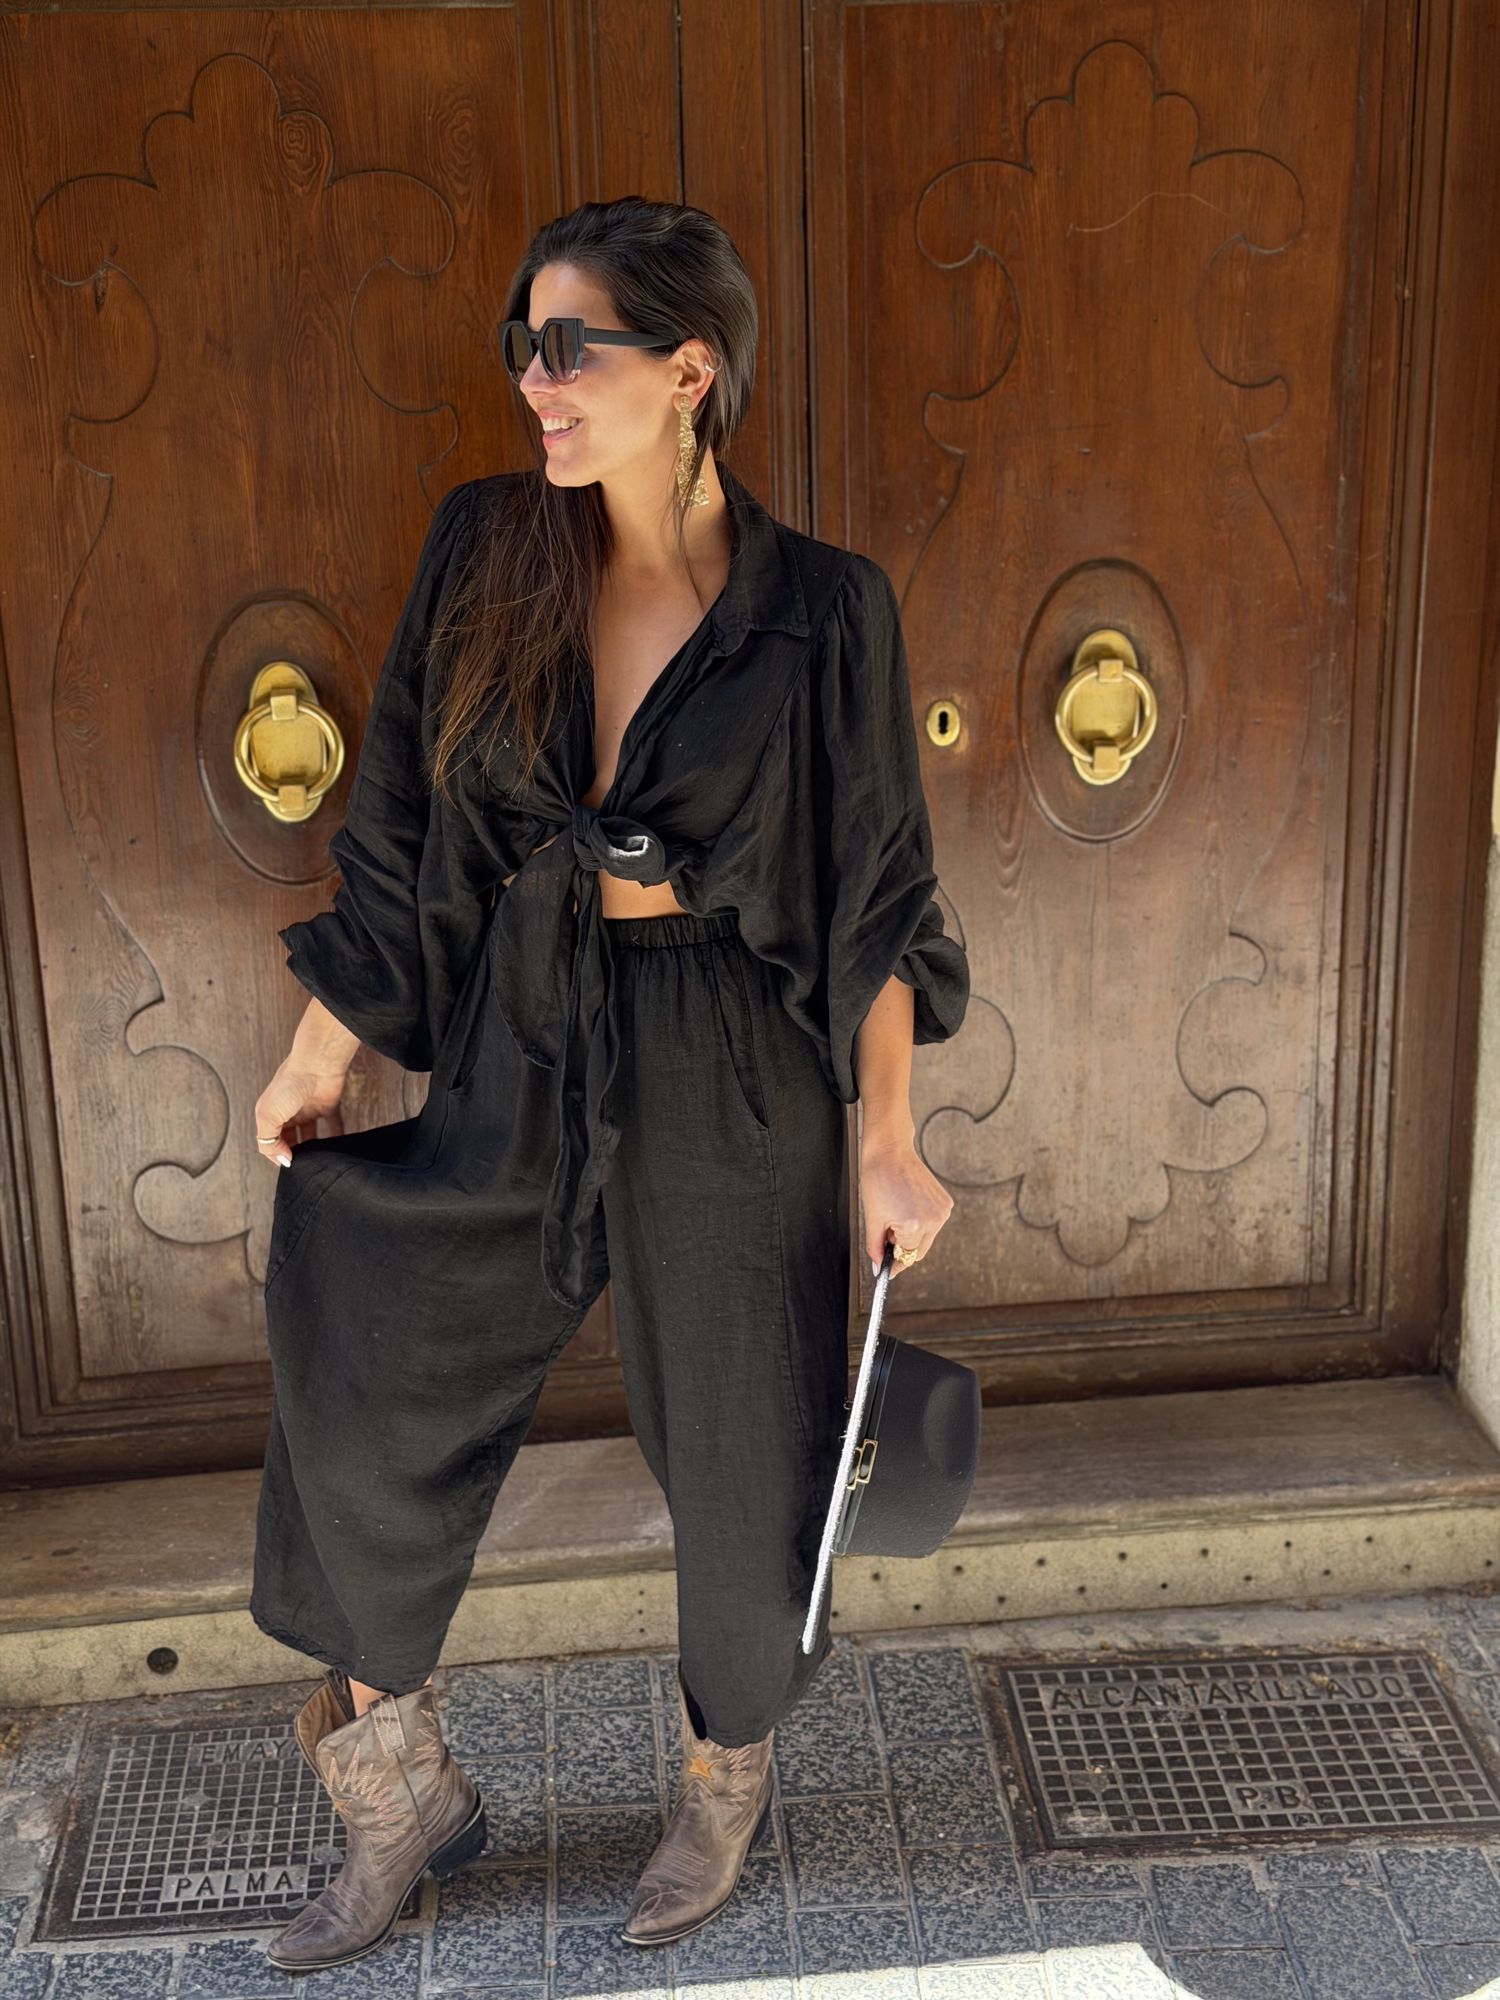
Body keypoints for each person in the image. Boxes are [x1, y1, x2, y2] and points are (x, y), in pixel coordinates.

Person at [247, 195, 969, 1975]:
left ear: (692, 369)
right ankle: (396, 1783)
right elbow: (399, 812)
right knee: (370, 1342)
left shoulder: (826, 613)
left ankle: (724, 1775)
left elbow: (879, 900)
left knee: (742, 1425)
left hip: (730, 1047)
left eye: (571, 347)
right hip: (529, 1008)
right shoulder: (490, 550)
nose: (536, 383)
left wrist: (887, 1141)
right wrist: (325, 1046)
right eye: (526, 347)